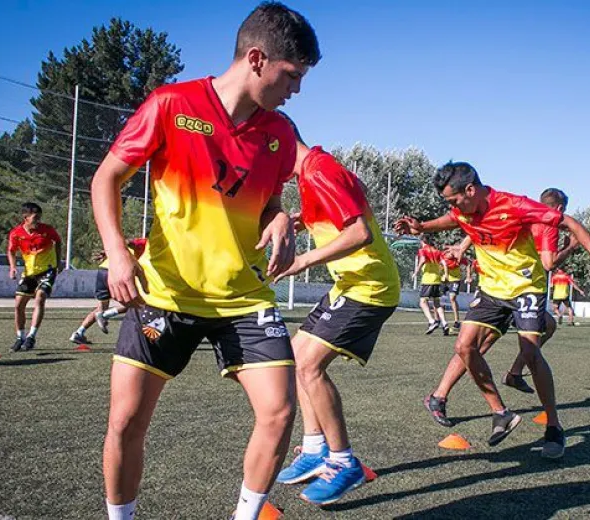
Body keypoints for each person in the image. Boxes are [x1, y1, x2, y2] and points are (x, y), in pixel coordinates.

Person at [90, 3, 320, 519]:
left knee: (279, 412)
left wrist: (278, 220)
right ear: (257, 59)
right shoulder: (172, 104)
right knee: (125, 423)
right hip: (165, 294)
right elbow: (106, 178)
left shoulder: (281, 134)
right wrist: (118, 253)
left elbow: (269, 203)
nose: (296, 89)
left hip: (243, 297)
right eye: (291, 75)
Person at [394, 162, 590, 459]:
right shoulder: (463, 210)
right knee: (464, 346)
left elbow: (571, 224)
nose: (452, 207)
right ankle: (500, 413)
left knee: (530, 352)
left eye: (454, 199)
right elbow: (452, 219)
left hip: (525, 288)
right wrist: (422, 227)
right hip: (491, 290)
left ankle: (553, 427)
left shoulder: (515, 205)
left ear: (470, 190)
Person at [270, 116, 400, 505]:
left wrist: (302, 261)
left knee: (309, 366)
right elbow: (354, 196)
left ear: (279, 142)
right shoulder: (314, 172)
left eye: (262, 147)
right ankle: (315, 450)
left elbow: (359, 232)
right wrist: (303, 220)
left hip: (370, 288)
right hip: (351, 285)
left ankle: (344, 462)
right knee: (296, 358)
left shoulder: (320, 170)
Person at [436, 187, 579, 398]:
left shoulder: (520, 214)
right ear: (558, 209)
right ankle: (440, 395)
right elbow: (548, 263)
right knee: (477, 346)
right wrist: (570, 248)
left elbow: (482, 227)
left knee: (546, 326)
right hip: (513, 290)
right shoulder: (548, 224)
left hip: (502, 285)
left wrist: (462, 246)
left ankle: (514, 373)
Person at [7, 202, 63, 353]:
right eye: (35, 218)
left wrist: (58, 262)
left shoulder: (47, 230)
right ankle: (20, 337)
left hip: (47, 270)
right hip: (29, 273)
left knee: (40, 297)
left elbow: (58, 242)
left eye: (39, 217)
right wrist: (12, 267)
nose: (38, 221)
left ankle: (31, 336)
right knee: (18, 305)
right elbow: (11, 251)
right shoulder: (16, 233)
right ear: (25, 217)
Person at [70, 238, 147, 345]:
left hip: (103, 271)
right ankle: (105, 315)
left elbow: (123, 244)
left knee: (100, 308)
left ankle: (79, 333)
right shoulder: (146, 243)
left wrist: (106, 252)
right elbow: (128, 242)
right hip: (115, 272)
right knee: (136, 304)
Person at [415, 238, 449, 335]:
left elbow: (423, 260)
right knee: (437, 303)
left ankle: (432, 321)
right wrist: (446, 275)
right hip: (437, 279)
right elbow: (444, 263)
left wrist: (416, 271)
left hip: (428, 280)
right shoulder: (437, 251)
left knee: (422, 302)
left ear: (422, 241)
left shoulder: (423, 250)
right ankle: (444, 323)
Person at [442, 253, 470, 328]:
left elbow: (468, 264)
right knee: (440, 299)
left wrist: (468, 276)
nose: (450, 253)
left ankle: (456, 321)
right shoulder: (442, 256)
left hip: (455, 280)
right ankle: (440, 320)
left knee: (452, 298)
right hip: (444, 280)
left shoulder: (458, 258)